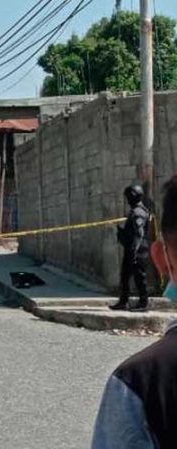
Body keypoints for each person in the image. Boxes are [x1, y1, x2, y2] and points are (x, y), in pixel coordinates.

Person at [91, 175, 176, 449]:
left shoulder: (139, 382)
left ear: (161, 259)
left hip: (136, 253)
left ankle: (138, 301)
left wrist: (133, 246)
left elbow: (138, 234)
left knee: (136, 281)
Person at [110, 183, 153, 312]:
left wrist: (134, 250)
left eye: (128, 197)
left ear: (133, 196)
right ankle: (123, 301)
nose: (127, 199)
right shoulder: (136, 210)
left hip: (137, 250)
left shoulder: (138, 212)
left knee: (139, 277)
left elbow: (139, 233)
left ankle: (143, 303)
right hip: (132, 249)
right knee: (125, 276)